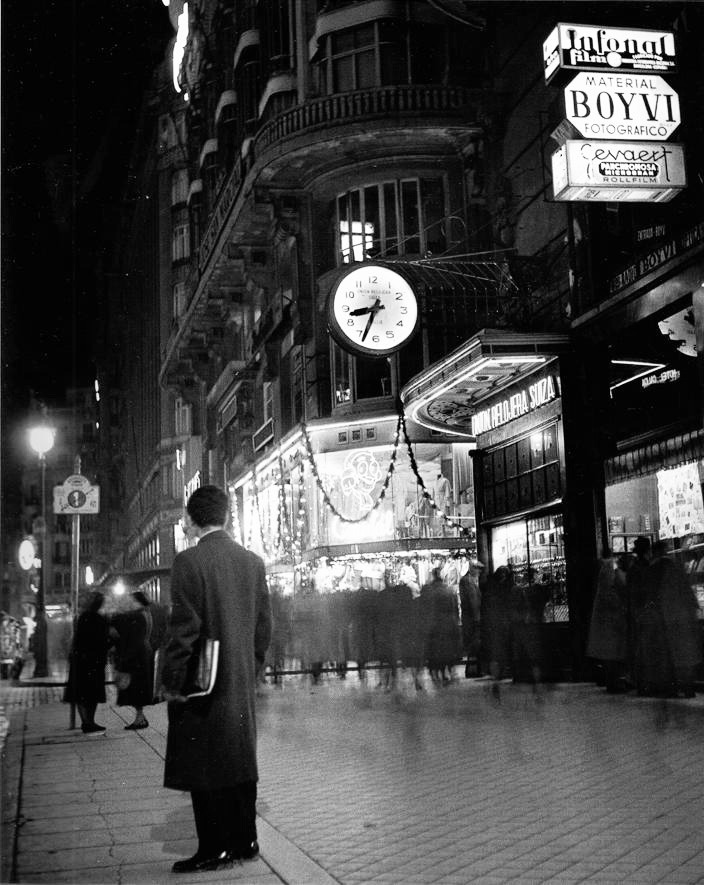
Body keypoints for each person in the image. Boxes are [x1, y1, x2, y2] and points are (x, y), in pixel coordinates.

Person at [161, 485, 272, 874]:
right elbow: (264, 629)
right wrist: (250, 668)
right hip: (239, 681)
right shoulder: (252, 562)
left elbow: (184, 629)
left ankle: (214, 847)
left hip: (203, 683)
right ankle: (246, 841)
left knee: (203, 763)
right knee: (240, 759)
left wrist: (172, 679)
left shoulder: (189, 562)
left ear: (191, 520)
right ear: (226, 516)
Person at [64, 591, 111, 734]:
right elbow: (104, 641)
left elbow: (78, 640)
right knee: (92, 694)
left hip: (81, 660)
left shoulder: (83, 617)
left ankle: (86, 721)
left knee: (81, 693)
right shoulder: (101, 619)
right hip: (95, 661)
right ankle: (89, 721)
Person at [111, 590, 155, 730]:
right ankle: (140, 718)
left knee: (136, 689)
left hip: (137, 657)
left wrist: (124, 660)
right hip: (143, 654)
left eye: (130, 600)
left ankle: (140, 719)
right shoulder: (145, 613)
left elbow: (132, 638)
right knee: (138, 689)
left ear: (137, 601)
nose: (128, 603)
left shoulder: (138, 615)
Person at [586, 550, 629, 693]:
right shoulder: (610, 566)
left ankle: (613, 681)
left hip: (607, 619)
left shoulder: (604, 569)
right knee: (612, 652)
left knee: (609, 653)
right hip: (611, 618)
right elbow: (612, 590)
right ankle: (614, 682)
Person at [459, 559, 483, 678]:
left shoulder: (469, 580)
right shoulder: (467, 581)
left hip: (470, 618)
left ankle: (473, 670)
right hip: (472, 619)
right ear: (473, 569)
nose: (479, 572)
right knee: (473, 645)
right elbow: (473, 601)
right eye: (478, 569)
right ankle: (473, 670)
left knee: (473, 646)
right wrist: (476, 619)